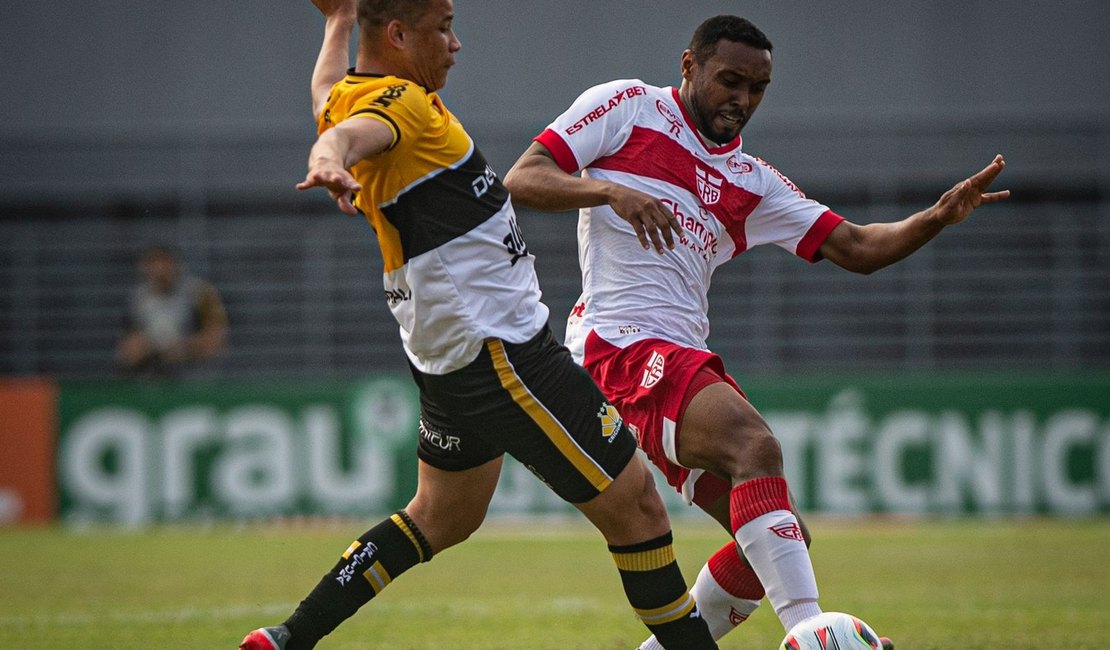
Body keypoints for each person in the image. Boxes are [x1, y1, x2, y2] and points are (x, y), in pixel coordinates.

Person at [504, 14, 1009, 650]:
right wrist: (607, 192)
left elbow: (857, 246)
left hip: (675, 353)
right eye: (729, 80)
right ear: (689, 67)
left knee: (776, 530)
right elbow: (522, 177)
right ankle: (809, 635)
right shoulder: (626, 107)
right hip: (620, 343)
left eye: (758, 88)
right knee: (756, 446)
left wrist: (937, 216)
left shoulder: (752, 181)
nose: (741, 100)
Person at [239, 2, 717, 649]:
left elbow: (328, 96)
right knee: (636, 506)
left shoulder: (358, 90)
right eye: (442, 27)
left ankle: (288, 637)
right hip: (503, 350)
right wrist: (329, 160)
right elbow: (345, 137)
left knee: (444, 515)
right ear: (400, 35)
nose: (456, 43)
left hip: (451, 355)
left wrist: (337, 22)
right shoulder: (401, 106)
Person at [116, 244, 228, 378]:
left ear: (176, 265)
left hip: (195, 375)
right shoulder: (138, 298)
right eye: (153, 264)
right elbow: (129, 348)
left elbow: (215, 340)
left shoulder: (200, 293)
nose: (160, 270)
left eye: (164, 264)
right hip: (153, 373)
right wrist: (150, 347)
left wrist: (183, 348)